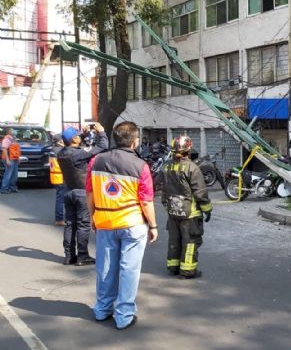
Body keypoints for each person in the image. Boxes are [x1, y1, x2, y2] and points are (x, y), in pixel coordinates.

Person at [86, 121, 158, 330]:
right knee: (129, 269)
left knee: (106, 267)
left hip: (105, 221)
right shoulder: (140, 166)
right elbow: (146, 201)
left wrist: (93, 216)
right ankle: (124, 315)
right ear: (135, 142)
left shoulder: (96, 161)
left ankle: (102, 309)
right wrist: (153, 226)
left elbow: (90, 194)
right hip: (132, 222)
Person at [157, 135, 212, 279]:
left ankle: (173, 266)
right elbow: (200, 192)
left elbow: (161, 187)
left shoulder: (167, 166)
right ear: (189, 149)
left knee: (174, 240)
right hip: (190, 214)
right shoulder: (192, 168)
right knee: (190, 241)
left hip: (173, 211)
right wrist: (207, 210)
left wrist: (168, 206)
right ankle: (187, 270)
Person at [57, 124, 108, 266]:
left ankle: (69, 255)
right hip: (81, 193)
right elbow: (103, 146)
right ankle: (83, 256)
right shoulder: (78, 154)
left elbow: (75, 144)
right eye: (78, 136)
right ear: (74, 139)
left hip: (68, 192)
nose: (80, 137)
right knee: (83, 224)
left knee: (70, 224)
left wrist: (84, 135)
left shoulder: (61, 153)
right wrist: (101, 132)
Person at [49, 135, 66, 227]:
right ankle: (59, 219)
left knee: (60, 197)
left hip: (55, 176)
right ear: (59, 141)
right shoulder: (60, 151)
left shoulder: (53, 150)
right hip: (60, 177)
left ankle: (60, 217)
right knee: (61, 199)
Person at [0, 127, 20, 194]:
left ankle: (12, 187)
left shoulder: (13, 139)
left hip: (14, 159)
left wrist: (18, 158)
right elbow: (4, 149)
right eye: (12, 130)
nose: (14, 131)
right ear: (9, 132)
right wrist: (7, 160)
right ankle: (4, 188)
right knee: (8, 174)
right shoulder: (6, 139)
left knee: (14, 174)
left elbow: (16, 149)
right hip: (8, 158)